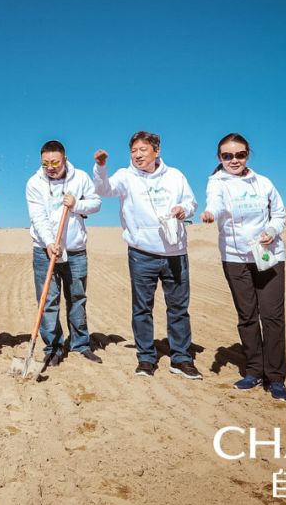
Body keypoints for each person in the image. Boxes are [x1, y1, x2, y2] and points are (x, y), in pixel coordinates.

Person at [93, 131, 200, 379]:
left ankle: (181, 358)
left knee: (178, 308)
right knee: (142, 309)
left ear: (156, 151)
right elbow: (103, 189)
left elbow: (192, 203)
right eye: (133, 151)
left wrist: (183, 209)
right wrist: (101, 167)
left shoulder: (175, 176)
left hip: (175, 253)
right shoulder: (125, 176)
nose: (137, 155)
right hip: (142, 254)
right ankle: (146, 358)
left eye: (143, 149)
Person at [201, 133, 286, 402]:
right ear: (219, 158)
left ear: (247, 155)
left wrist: (271, 231)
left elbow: (279, 214)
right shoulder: (216, 182)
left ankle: (275, 377)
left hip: (268, 256)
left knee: (272, 317)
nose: (234, 160)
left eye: (239, 155)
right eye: (227, 156)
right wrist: (210, 213)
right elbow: (215, 203)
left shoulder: (263, 183)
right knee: (247, 316)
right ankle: (254, 371)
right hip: (235, 257)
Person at [25, 140, 103, 366]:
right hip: (44, 250)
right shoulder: (34, 183)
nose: (50, 167)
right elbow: (37, 216)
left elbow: (96, 203)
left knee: (77, 298)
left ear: (65, 160)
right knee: (48, 300)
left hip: (76, 251)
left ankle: (81, 343)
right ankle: (53, 347)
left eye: (55, 163)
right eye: (45, 163)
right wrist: (50, 243)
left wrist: (77, 204)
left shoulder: (81, 178)